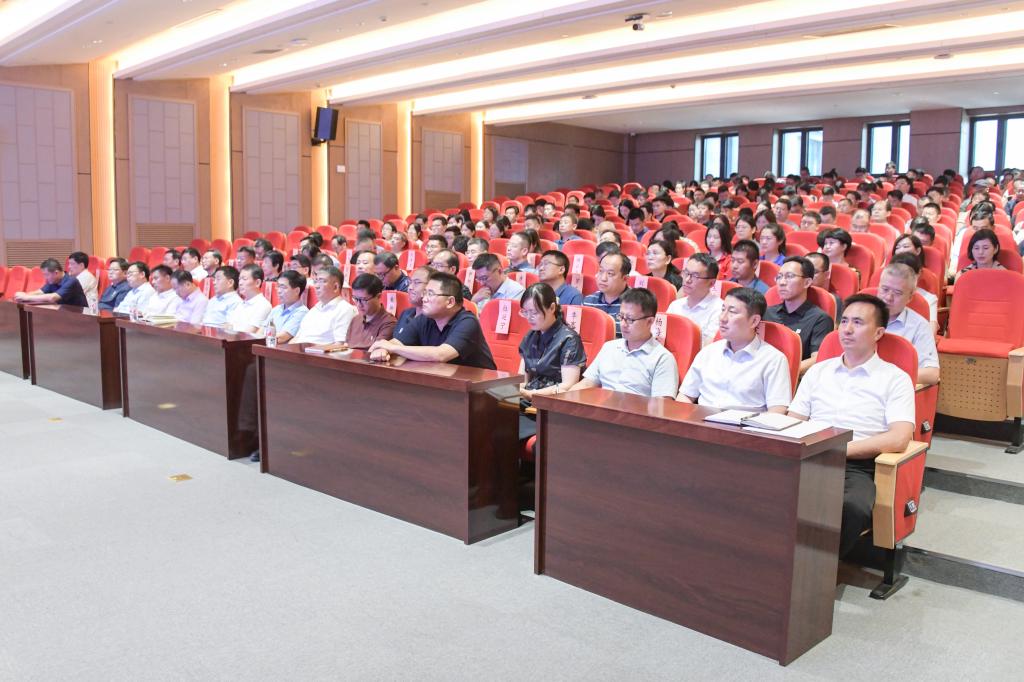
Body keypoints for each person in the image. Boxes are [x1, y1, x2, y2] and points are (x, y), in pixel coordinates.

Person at [788, 294, 915, 558]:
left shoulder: (894, 379)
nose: (846, 329)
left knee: (852, 507)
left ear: (878, 332)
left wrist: (840, 449)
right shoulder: (818, 371)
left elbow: (899, 437)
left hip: (858, 465)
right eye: (844, 321)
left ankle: (816, 569)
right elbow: (793, 420)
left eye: (858, 322)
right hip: (807, 456)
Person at [677, 287, 792, 412]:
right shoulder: (708, 352)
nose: (723, 318)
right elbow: (685, 396)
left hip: (744, 423)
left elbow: (777, 410)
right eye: (723, 310)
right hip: (700, 420)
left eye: (732, 312)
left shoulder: (773, 359)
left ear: (754, 321)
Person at [368, 272, 496, 369]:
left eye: (430, 294)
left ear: (450, 302)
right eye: (425, 293)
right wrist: (383, 349)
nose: (424, 299)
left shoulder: (468, 322)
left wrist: (392, 348)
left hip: (481, 387)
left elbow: (441, 355)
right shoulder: (424, 318)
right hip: (445, 381)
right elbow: (396, 342)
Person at [569, 288, 678, 397]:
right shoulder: (609, 347)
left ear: (649, 321)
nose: (623, 324)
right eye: (621, 317)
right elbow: (587, 383)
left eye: (630, 319)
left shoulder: (662, 358)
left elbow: (661, 403)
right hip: (602, 405)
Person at [517, 283, 587, 401]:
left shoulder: (569, 339)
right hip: (530, 396)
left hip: (556, 401)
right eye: (525, 312)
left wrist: (532, 394)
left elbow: (568, 385)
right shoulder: (530, 336)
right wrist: (516, 390)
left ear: (552, 308)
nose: (529, 317)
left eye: (534, 312)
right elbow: (522, 379)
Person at [764, 256, 834, 375]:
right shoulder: (767, 313)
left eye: (789, 276)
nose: (782, 282)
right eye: (779, 277)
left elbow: (817, 359)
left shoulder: (820, 319)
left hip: (794, 377)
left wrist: (783, 372)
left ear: (807, 282)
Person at [876, 263, 940, 386]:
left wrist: (886, 379)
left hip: (892, 389)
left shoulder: (919, 326)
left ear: (910, 297)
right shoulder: (860, 316)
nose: (888, 297)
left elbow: (932, 373)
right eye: (885, 289)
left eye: (897, 293)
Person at [290, 266, 357, 345]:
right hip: (298, 350)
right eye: (316, 281)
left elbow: (340, 345)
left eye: (322, 281)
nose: (316, 286)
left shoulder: (345, 309)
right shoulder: (314, 309)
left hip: (316, 351)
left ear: (335, 287)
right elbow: (297, 338)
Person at [667, 253, 722, 346]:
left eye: (695, 276)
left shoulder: (719, 310)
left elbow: (708, 348)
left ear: (712, 283)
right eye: (686, 273)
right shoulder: (675, 305)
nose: (687, 280)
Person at [583, 252, 631, 336]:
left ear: (625, 278)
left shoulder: (636, 304)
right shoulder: (588, 301)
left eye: (610, 274)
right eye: (601, 271)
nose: (603, 278)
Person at [15, 258, 89, 307]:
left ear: (56, 273)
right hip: (65, 315)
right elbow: (40, 292)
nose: (45, 277)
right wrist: (23, 294)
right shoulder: (53, 281)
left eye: (46, 275)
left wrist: (27, 297)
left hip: (80, 317)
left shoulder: (71, 281)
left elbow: (53, 297)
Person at [265, 270, 309, 344]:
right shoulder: (276, 309)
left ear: (297, 291)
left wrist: (259, 341)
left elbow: (281, 338)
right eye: (278, 286)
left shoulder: (302, 312)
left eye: (283, 287)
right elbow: (262, 330)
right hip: (263, 346)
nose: (279, 291)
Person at [226, 264, 272, 333]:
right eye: (239, 279)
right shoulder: (240, 303)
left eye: (244, 279)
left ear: (257, 283)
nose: (240, 283)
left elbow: (249, 333)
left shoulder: (264, 305)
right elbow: (228, 326)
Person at [393, 266, 435, 343]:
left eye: (417, 282)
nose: (410, 287)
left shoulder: (434, 319)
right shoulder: (406, 313)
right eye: (410, 282)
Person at [805, 252, 842, 321]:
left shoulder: (833, 300)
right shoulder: (792, 292)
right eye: (805, 270)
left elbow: (835, 325)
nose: (808, 275)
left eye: (814, 272)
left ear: (826, 275)